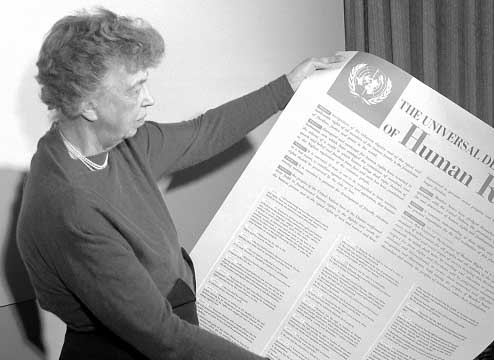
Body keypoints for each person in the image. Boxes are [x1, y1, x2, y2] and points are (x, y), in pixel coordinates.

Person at [16, 8, 342, 360]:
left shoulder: (121, 142)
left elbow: (203, 134)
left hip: (168, 320)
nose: (149, 98)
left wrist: (287, 87)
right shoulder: (69, 207)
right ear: (86, 105)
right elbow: (163, 337)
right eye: (135, 87)